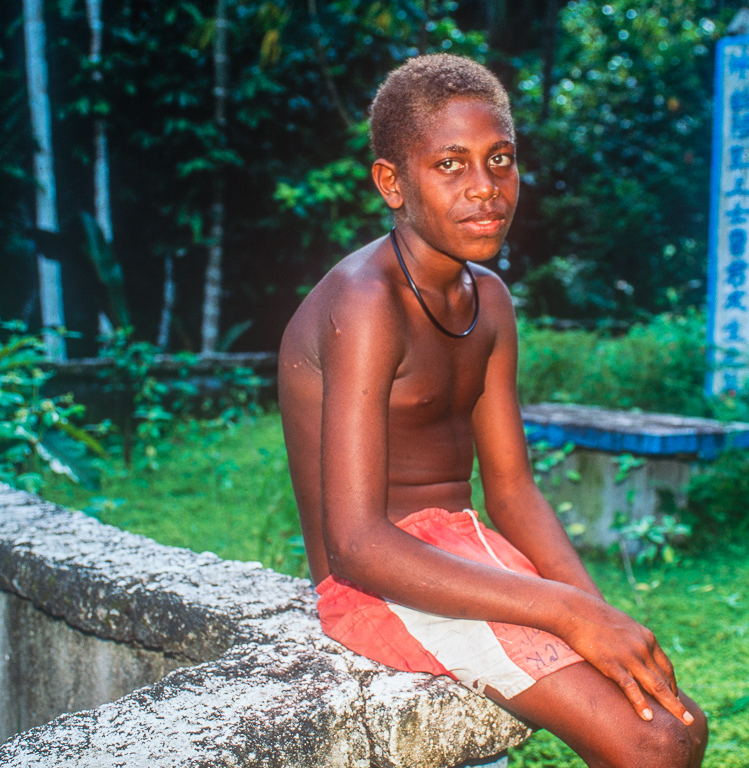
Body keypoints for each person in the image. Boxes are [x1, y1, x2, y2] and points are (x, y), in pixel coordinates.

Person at [278, 53, 707, 768]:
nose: (485, 189)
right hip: (379, 582)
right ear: (392, 182)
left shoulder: (490, 300)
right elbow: (354, 543)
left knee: (678, 723)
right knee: (655, 744)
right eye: (450, 165)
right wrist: (568, 612)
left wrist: (597, 611)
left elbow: (511, 489)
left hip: (470, 553)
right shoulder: (366, 300)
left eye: (499, 159)